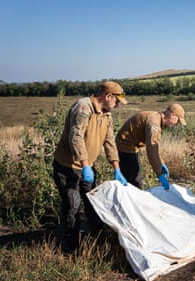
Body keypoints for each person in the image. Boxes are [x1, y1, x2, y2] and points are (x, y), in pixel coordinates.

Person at [52, 81, 128, 252]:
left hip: (88, 166)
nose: (117, 106)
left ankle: (99, 242)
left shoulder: (106, 115)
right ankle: (72, 249)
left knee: (93, 203)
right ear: (108, 96)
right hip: (68, 167)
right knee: (73, 205)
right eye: (116, 101)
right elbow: (75, 137)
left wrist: (117, 168)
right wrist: (85, 165)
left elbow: (109, 141)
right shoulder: (83, 107)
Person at [115, 103, 186, 190]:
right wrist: (160, 174)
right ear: (172, 115)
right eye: (177, 120)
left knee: (132, 178)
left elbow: (155, 148)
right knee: (135, 180)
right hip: (126, 145)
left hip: (131, 145)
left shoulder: (156, 118)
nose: (176, 124)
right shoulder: (154, 124)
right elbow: (152, 151)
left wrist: (161, 163)